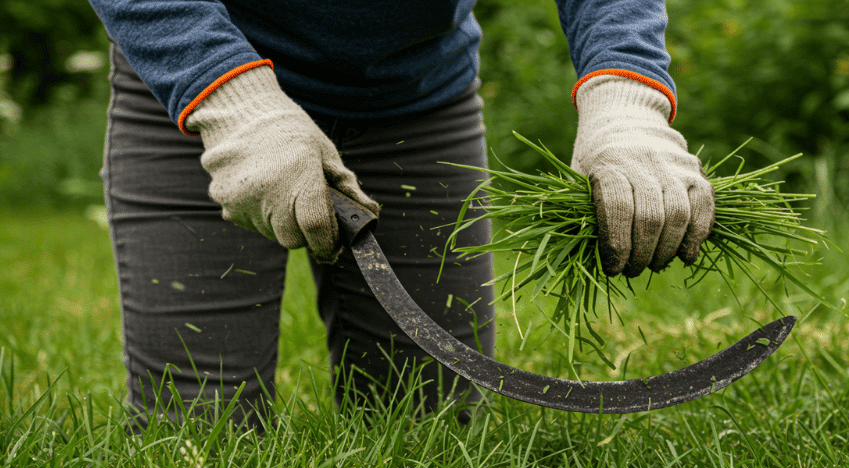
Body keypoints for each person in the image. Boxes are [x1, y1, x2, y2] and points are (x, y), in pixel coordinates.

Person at [87, 0, 715, 431]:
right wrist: (234, 105)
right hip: (201, 83)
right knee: (196, 429)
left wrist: (625, 98)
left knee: (432, 431)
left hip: (415, 99)